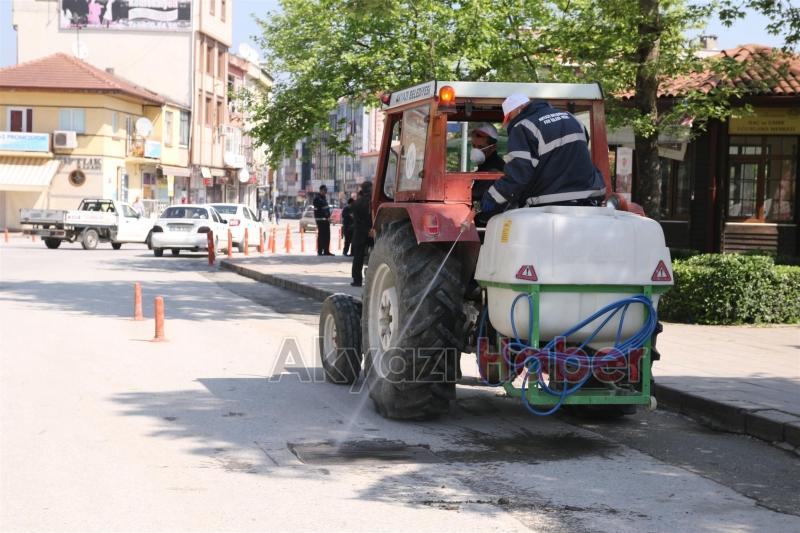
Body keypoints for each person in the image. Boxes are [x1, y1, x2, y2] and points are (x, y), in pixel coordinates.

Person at [480, 93, 605, 217]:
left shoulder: (523, 127)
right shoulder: (572, 119)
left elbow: (518, 174)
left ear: (519, 109)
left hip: (550, 205)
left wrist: (492, 198)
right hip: (589, 201)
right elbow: (578, 151)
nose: (510, 122)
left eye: (509, 117)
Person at [350, 181, 372, 287]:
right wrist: (370, 230)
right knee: (374, 255)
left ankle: (357, 280)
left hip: (359, 233)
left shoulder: (356, 203)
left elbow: (356, 221)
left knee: (358, 257)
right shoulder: (373, 201)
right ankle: (372, 279)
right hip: (372, 232)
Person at [313, 185, 334, 256]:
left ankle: (326, 251)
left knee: (327, 236)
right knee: (321, 236)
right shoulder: (317, 198)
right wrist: (326, 216)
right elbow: (320, 210)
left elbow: (326, 209)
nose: (326, 192)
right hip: (321, 220)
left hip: (326, 220)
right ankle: (320, 251)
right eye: (325, 190)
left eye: (326, 190)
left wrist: (328, 216)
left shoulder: (324, 198)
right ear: (321, 190)